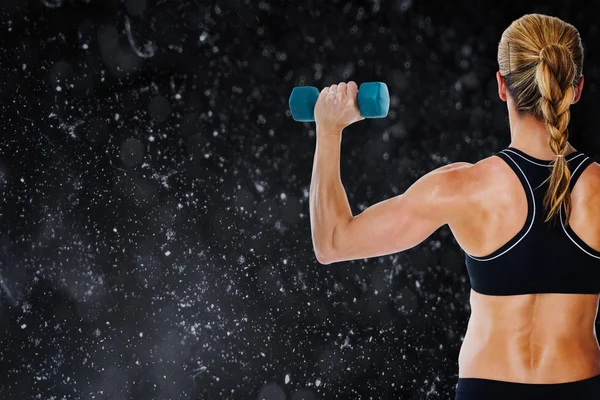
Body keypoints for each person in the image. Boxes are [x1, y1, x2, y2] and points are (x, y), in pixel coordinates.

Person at [308, 13, 600, 399]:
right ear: (576, 88)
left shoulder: (463, 187)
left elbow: (332, 242)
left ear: (501, 85)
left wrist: (328, 131)